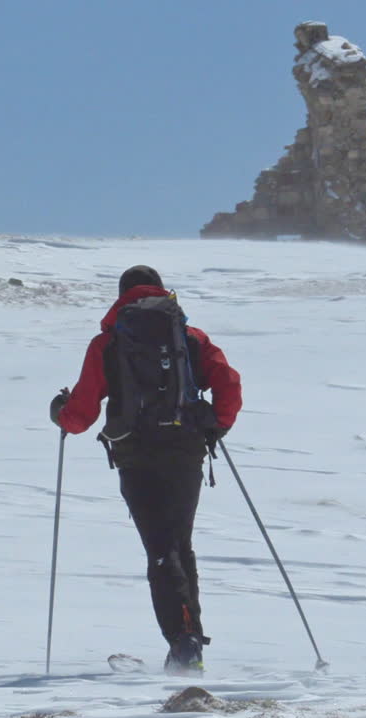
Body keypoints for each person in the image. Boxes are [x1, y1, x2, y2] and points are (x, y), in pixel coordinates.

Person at [49, 265, 242, 676]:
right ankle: (188, 641)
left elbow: (81, 415)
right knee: (179, 544)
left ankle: (184, 643)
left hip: (137, 455)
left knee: (160, 548)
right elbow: (228, 382)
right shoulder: (189, 337)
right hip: (186, 451)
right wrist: (217, 424)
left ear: (122, 295)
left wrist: (60, 415)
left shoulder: (109, 342)